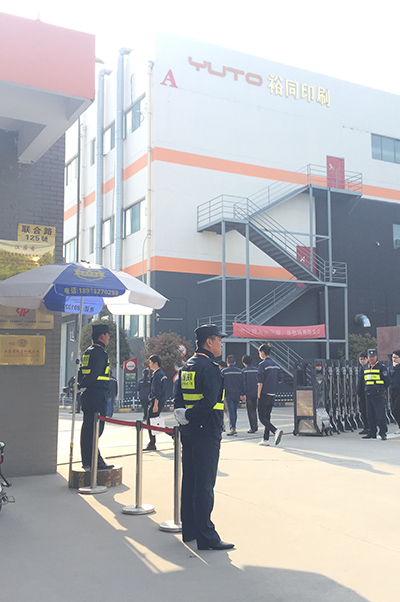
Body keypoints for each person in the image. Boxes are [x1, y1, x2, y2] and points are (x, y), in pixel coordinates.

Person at [174, 324, 234, 551]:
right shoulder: (210, 368)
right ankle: (207, 536)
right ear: (209, 342)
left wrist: (183, 415)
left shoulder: (187, 366)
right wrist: (190, 414)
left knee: (190, 480)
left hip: (189, 430)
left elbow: (178, 397)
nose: (221, 344)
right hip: (207, 431)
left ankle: (189, 530)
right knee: (205, 484)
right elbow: (210, 401)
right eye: (219, 340)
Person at [78, 323, 114, 470]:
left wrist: (81, 386)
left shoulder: (87, 352)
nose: (109, 337)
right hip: (97, 395)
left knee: (87, 429)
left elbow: (82, 372)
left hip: (88, 396)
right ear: (102, 336)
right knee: (95, 429)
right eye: (108, 334)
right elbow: (94, 375)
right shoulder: (100, 353)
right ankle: (96, 462)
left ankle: (87, 460)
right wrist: (85, 384)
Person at [257, 343, 283, 446]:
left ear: (262, 352)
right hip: (273, 394)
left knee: (262, 418)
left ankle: (275, 431)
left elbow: (260, 382)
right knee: (267, 417)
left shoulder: (262, 365)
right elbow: (280, 380)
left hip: (264, 393)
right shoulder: (276, 365)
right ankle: (265, 439)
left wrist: (258, 394)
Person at [362, 348, 390, 440]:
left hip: (378, 394)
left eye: (373, 356)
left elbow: (387, 380)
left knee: (380, 414)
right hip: (368, 394)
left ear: (376, 357)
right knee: (370, 414)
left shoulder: (381, 367)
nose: (371, 358)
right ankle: (372, 432)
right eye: (370, 357)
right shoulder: (365, 367)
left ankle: (383, 432)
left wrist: (381, 389)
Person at [145, 355, 168, 451]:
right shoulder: (161, 374)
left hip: (156, 401)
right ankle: (172, 433)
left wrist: (155, 404)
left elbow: (157, 390)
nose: (149, 364)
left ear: (155, 363)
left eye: (150, 362)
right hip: (160, 401)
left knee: (150, 422)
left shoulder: (157, 375)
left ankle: (152, 443)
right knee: (155, 421)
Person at [221, 355, 243, 436]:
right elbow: (242, 383)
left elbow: (221, 383)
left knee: (230, 411)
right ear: (234, 362)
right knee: (234, 411)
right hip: (237, 394)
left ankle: (233, 428)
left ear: (227, 362)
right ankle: (234, 426)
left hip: (228, 394)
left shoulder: (224, 372)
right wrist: (243, 393)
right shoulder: (240, 371)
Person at [241, 354, 258, 433]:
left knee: (250, 411)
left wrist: (243, 393)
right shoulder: (256, 370)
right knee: (254, 410)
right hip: (256, 392)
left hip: (248, 393)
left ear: (244, 362)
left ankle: (253, 427)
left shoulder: (244, 371)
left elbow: (243, 383)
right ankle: (256, 425)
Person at [357, 351, 369, 434]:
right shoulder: (361, 368)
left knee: (368, 411)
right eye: (360, 359)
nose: (362, 361)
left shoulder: (368, 368)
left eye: (363, 359)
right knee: (363, 411)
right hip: (362, 393)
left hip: (367, 393)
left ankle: (369, 427)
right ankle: (366, 427)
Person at [389, 349, 400, 434]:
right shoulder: (392, 368)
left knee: (397, 409)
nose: (394, 359)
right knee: (393, 410)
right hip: (393, 391)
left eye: (396, 357)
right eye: (393, 357)